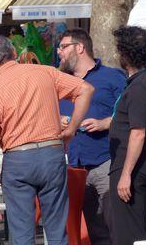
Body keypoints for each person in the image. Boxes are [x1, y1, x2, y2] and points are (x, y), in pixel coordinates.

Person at [0, 35, 94, 245]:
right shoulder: (44, 72)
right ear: (14, 53)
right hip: (51, 154)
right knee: (57, 231)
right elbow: (86, 89)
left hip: (18, 159)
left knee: (22, 235)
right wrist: (71, 130)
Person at [57, 29, 126, 245]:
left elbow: (130, 114)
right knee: (94, 229)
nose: (59, 52)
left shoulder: (113, 77)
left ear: (79, 47)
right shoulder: (59, 80)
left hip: (105, 160)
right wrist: (57, 118)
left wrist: (105, 123)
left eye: (63, 47)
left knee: (115, 225)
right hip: (74, 164)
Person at [109, 26, 146, 245]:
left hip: (133, 166)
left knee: (129, 232)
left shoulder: (140, 86)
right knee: (135, 226)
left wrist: (126, 174)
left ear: (126, 54)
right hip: (143, 164)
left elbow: (138, 132)